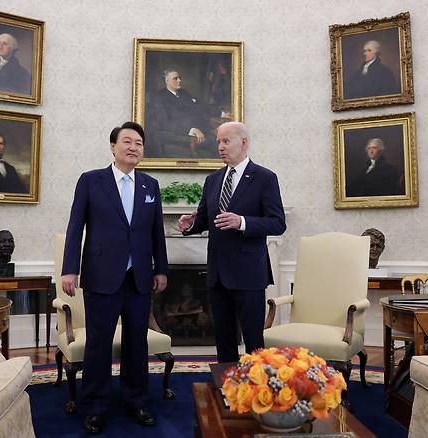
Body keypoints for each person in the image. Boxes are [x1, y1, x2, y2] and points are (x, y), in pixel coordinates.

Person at [61, 121, 168, 434]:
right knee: (98, 344)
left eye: (139, 143)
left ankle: (137, 401)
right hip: (101, 277)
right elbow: (74, 226)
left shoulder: (150, 185)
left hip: (139, 279)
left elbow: (156, 232)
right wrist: (70, 269)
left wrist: (161, 268)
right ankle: (95, 406)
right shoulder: (91, 181)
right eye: (127, 141)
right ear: (113, 147)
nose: (133, 147)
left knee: (137, 343)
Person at [177, 121, 286, 363]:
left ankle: (256, 393)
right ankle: (226, 387)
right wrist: (191, 225)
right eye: (218, 142)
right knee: (223, 338)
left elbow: (278, 223)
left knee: (253, 341)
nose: (220, 147)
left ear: (243, 142)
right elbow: (206, 219)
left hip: (249, 274)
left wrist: (243, 222)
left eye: (226, 141)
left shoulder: (264, 178)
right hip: (218, 274)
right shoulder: (213, 180)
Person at [151, 69, 228, 157]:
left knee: (222, 142)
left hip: (202, 129)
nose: (179, 80)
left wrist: (221, 113)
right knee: (215, 147)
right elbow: (164, 123)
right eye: (175, 78)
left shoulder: (184, 93)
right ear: (167, 81)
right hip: (182, 134)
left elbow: (201, 106)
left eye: (179, 78)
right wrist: (191, 129)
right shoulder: (160, 98)